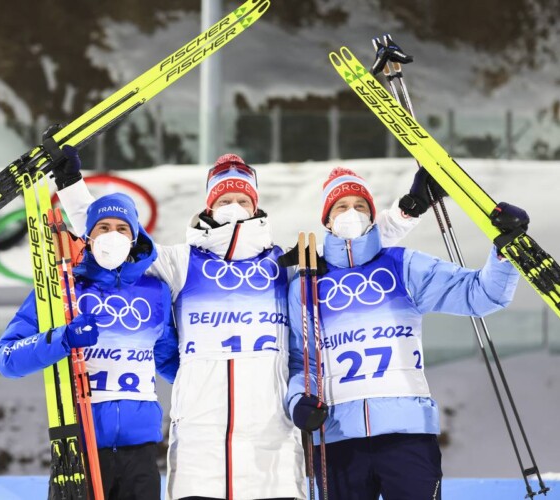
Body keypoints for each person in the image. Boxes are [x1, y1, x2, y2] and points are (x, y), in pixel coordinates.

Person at [55, 149, 438, 499]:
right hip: (198, 451)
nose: (234, 208)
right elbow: (116, 240)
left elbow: (350, 247)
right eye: (224, 201)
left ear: (255, 205)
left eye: (242, 200)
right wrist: (71, 186)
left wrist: (408, 210)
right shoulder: (181, 262)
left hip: (272, 450)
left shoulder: (285, 263)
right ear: (209, 206)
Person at [286, 167, 524, 500]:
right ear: (327, 220)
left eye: (360, 206)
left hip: (407, 433)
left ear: (372, 216)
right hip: (337, 436)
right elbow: (301, 362)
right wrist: (298, 401)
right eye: (341, 206)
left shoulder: (402, 265)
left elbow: (480, 294)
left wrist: (505, 253)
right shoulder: (306, 283)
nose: (352, 213)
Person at [0, 192, 179, 500]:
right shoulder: (59, 291)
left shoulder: (155, 291)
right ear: (88, 236)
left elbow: (172, 362)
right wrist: (63, 339)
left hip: (142, 451)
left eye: (122, 228)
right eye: (103, 227)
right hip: (79, 447)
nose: (112, 235)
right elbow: (5, 358)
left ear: (134, 238)